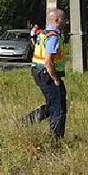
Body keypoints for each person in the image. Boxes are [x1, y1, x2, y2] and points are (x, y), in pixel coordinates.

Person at [24, 8, 68, 139]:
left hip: (37, 71)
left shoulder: (43, 33)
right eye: (64, 19)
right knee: (58, 108)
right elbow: (48, 61)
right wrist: (56, 79)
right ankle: (56, 139)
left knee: (53, 103)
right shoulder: (53, 36)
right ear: (57, 20)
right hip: (47, 74)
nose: (65, 22)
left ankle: (26, 121)